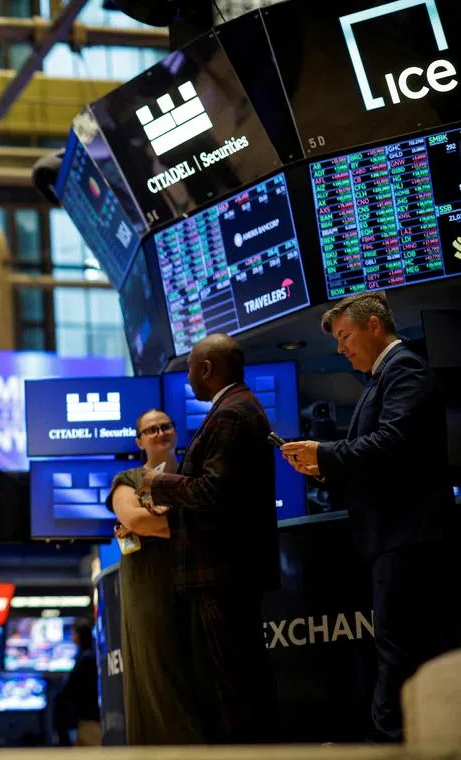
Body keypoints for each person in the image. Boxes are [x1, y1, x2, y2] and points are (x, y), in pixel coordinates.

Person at [282, 292, 455, 743]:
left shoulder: (405, 370)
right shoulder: (379, 381)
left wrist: (325, 454)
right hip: (394, 539)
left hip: (408, 539)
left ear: (374, 325)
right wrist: (320, 468)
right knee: (406, 651)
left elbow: (391, 443)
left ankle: (390, 744)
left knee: (399, 653)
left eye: (345, 336)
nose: (341, 349)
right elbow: (373, 460)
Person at [136, 333, 279, 744]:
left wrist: (158, 485)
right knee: (238, 679)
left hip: (223, 569)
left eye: (190, 370)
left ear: (206, 369)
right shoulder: (237, 407)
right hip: (225, 569)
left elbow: (213, 491)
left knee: (234, 684)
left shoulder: (231, 413)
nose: (189, 380)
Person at [104, 409, 203, 745]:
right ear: (139, 440)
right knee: (159, 674)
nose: (160, 433)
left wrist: (160, 523)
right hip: (148, 585)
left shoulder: (195, 473)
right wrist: (195, 526)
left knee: (201, 673)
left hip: (199, 580)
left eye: (166, 427)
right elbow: (136, 521)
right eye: (151, 430)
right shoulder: (127, 480)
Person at [51, 621, 100, 747]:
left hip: (88, 719)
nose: (72, 637)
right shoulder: (88, 655)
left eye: (74, 634)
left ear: (79, 636)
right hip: (87, 716)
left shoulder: (86, 658)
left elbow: (71, 688)